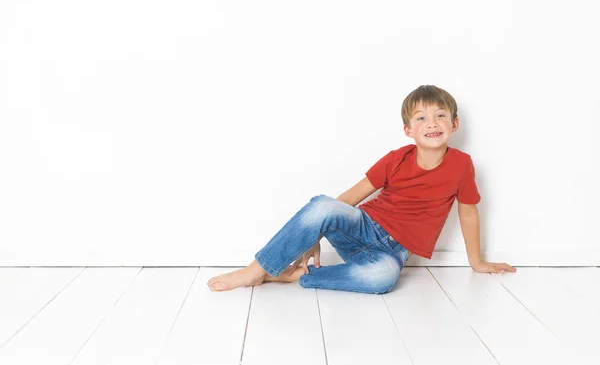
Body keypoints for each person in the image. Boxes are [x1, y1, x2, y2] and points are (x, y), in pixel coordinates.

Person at [207, 84, 516, 294]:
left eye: (440, 116)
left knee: (382, 279)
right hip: (363, 228)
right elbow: (347, 199)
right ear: (409, 130)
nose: (432, 123)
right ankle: (255, 268)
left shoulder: (461, 165)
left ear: (454, 124)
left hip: (392, 252)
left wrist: (477, 262)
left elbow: (469, 213)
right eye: (421, 118)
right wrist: (314, 233)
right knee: (323, 205)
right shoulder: (397, 159)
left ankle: (293, 276)